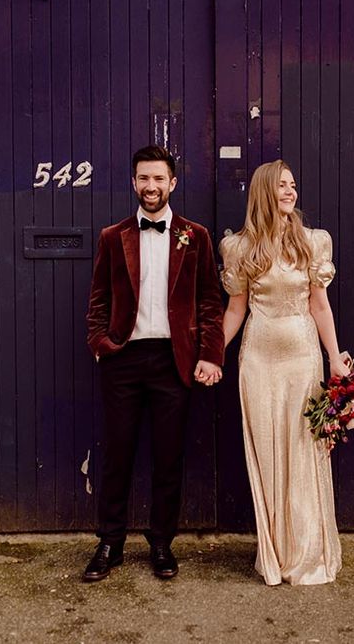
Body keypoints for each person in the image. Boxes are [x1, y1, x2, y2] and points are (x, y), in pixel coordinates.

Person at [84, 145, 224, 581]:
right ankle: (110, 542)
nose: (151, 187)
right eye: (144, 179)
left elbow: (209, 302)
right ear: (133, 182)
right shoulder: (113, 236)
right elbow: (98, 301)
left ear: (173, 183)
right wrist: (100, 343)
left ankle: (162, 544)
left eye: (159, 179)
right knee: (117, 455)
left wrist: (210, 354)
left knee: (168, 457)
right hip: (123, 360)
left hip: (173, 361)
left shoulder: (195, 236)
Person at [220, 159, 351, 586]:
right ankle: (274, 554)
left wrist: (334, 357)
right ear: (263, 192)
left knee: (303, 453)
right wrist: (209, 353)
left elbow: (319, 305)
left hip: (302, 358)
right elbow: (236, 310)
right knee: (268, 456)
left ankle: (308, 555)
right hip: (257, 359)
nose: (290, 192)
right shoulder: (238, 248)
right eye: (281, 186)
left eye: (293, 184)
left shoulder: (313, 242)